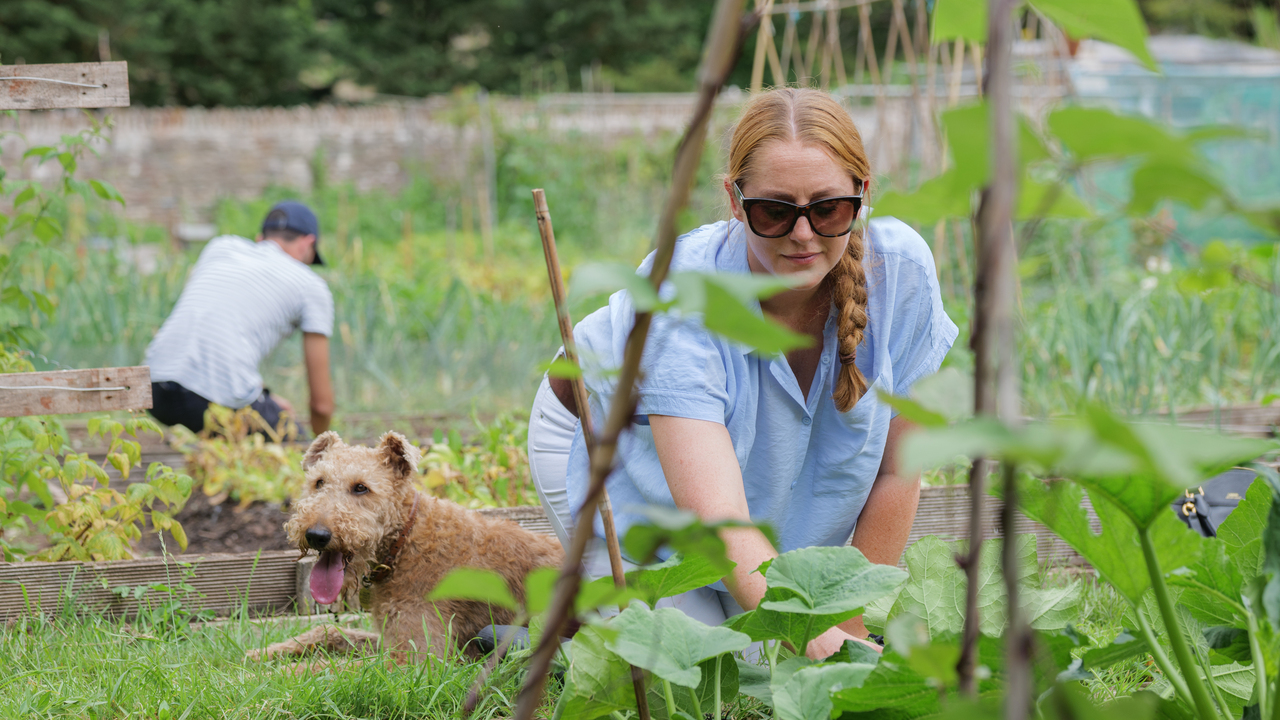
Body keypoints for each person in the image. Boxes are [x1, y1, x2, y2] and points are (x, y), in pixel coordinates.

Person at [527, 88, 958, 659]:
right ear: (735, 201)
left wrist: (848, 627)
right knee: (707, 664)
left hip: (748, 465)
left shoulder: (899, 270)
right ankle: (558, 634)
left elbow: (897, 470)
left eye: (828, 209)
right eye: (774, 212)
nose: (803, 235)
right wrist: (827, 651)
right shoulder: (682, 291)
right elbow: (722, 523)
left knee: (782, 647)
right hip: (602, 441)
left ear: (862, 195)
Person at [146, 200, 336, 438]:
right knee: (295, 450)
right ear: (308, 244)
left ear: (260, 239)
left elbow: (211, 326)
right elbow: (321, 405)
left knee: (244, 416)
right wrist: (325, 452)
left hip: (155, 387)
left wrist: (265, 397)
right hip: (210, 399)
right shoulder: (311, 285)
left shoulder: (220, 247)